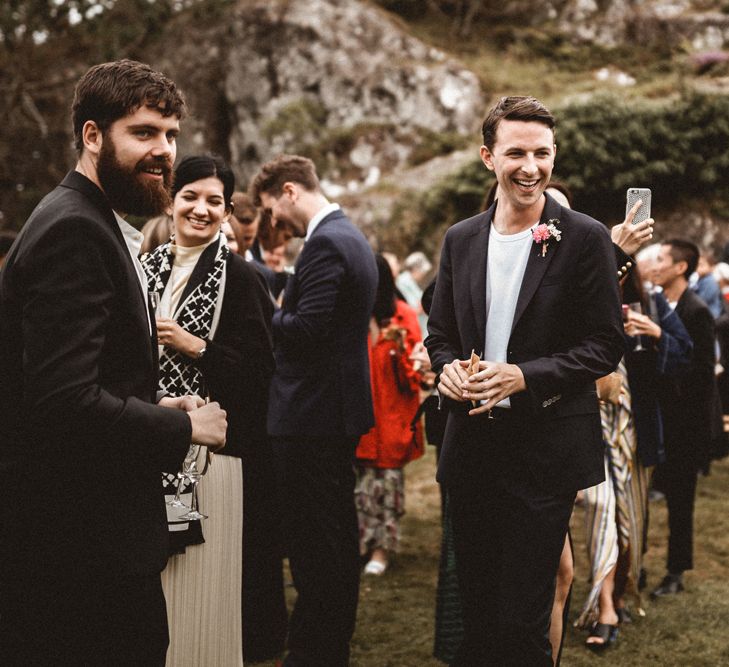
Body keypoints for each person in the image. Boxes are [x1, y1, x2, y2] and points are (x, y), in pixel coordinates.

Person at [0, 59, 227, 665]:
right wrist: (183, 426)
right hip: (79, 550)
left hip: (87, 537)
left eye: (172, 134)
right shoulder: (74, 230)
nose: (164, 151)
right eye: (145, 133)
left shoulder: (91, 218)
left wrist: (152, 403)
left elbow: (78, 380)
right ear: (93, 136)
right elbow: (61, 404)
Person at [425, 96, 624, 666]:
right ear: (489, 157)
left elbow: (604, 344)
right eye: (516, 153)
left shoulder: (584, 237)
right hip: (471, 447)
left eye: (542, 153)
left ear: (555, 155)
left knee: (523, 620)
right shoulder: (460, 239)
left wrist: (523, 377)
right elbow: (438, 333)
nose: (530, 167)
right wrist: (448, 372)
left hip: (545, 451)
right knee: (480, 612)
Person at [141, 155, 285, 665]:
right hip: (150, 441)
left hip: (217, 458)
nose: (201, 210)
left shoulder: (242, 279)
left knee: (208, 589)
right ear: (172, 199)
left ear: (227, 212)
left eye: (214, 202)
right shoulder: (146, 266)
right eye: (191, 197)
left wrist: (194, 345)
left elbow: (263, 372)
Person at [251, 154, 378, 666]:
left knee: (314, 546)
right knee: (333, 537)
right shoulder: (347, 235)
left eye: (272, 210)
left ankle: (316, 650)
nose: (275, 223)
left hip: (312, 415)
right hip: (332, 410)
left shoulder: (325, 243)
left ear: (288, 191)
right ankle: (326, 644)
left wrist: (269, 311)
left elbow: (305, 330)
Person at [577, 264, 692, 649]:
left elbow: (685, 355)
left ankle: (621, 590)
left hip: (636, 433)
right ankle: (605, 607)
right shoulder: (580, 301)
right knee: (601, 510)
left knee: (631, 525)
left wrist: (655, 333)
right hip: (589, 429)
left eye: (623, 269)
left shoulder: (652, 303)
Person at [649, 239, 717, 598]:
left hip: (685, 424)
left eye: (661, 259)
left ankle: (676, 570)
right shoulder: (654, 304)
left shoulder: (697, 310)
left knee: (680, 501)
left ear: (680, 268)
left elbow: (704, 373)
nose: (654, 264)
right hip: (656, 417)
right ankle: (636, 565)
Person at [356, 254, 425, 576]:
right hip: (359, 421)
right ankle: (359, 544)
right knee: (360, 489)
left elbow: (415, 378)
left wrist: (397, 349)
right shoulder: (354, 314)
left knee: (385, 490)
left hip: (391, 421)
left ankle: (381, 550)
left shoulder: (402, 316)